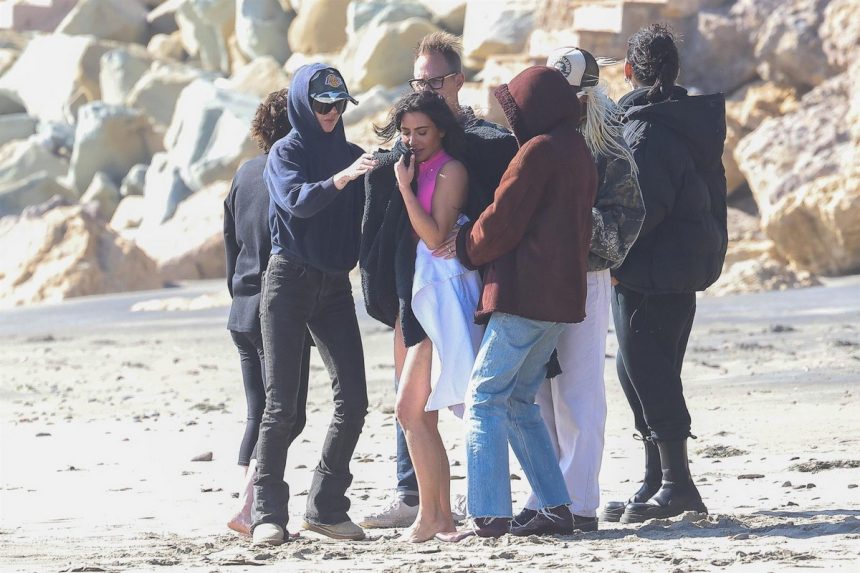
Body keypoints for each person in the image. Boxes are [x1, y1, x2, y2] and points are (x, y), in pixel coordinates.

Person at [360, 31, 518, 530]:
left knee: (468, 401)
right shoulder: (402, 158)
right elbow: (384, 229)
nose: (426, 89)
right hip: (414, 293)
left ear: (457, 81)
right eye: (418, 82)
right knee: (412, 407)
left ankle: (478, 501)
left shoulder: (476, 151)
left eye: (434, 81)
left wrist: (458, 229)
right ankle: (426, 508)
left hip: (454, 291)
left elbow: (456, 229)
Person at [438, 65, 598, 540]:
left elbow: (502, 221)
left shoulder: (537, 152)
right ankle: (556, 507)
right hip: (562, 299)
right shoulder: (578, 150)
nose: (511, 119)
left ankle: (488, 514)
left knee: (484, 397)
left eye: (514, 108)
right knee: (519, 402)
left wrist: (463, 244)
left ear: (535, 108)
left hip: (524, 295)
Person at [512, 48, 645, 532]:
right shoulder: (535, 137)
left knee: (578, 393)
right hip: (539, 278)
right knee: (537, 394)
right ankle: (549, 496)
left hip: (585, 278)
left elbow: (627, 220)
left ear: (589, 93)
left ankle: (581, 503)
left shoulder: (607, 147)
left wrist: (565, 219)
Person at [603, 23, 727, 523]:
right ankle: (656, 478)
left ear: (628, 70)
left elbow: (641, 208)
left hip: (650, 271)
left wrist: (610, 259)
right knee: (638, 369)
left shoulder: (649, 128)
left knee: (649, 372)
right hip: (682, 265)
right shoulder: (685, 119)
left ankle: (679, 484)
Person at [251, 64, 377, 546]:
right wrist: (342, 179)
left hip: (336, 287)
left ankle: (326, 506)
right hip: (289, 281)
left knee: (355, 400)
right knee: (281, 406)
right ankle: (268, 514)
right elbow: (297, 201)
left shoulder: (353, 155)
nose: (331, 112)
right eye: (322, 104)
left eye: (338, 104)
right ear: (303, 104)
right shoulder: (285, 152)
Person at [366, 90, 483, 542]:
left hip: (440, 299)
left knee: (411, 409)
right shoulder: (411, 167)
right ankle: (437, 516)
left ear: (441, 131)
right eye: (405, 132)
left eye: (422, 132)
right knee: (416, 415)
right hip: (413, 297)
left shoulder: (451, 170)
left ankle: (436, 515)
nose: (412, 141)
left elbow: (435, 237)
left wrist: (403, 188)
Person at [223, 89, 313, 536]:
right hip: (276, 308)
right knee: (286, 414)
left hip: (241, 307)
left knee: (259, 410)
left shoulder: (244, 172)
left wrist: (237, 294)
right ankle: (249, 505)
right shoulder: (290, 175)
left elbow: (231, 240)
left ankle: (245, 501)